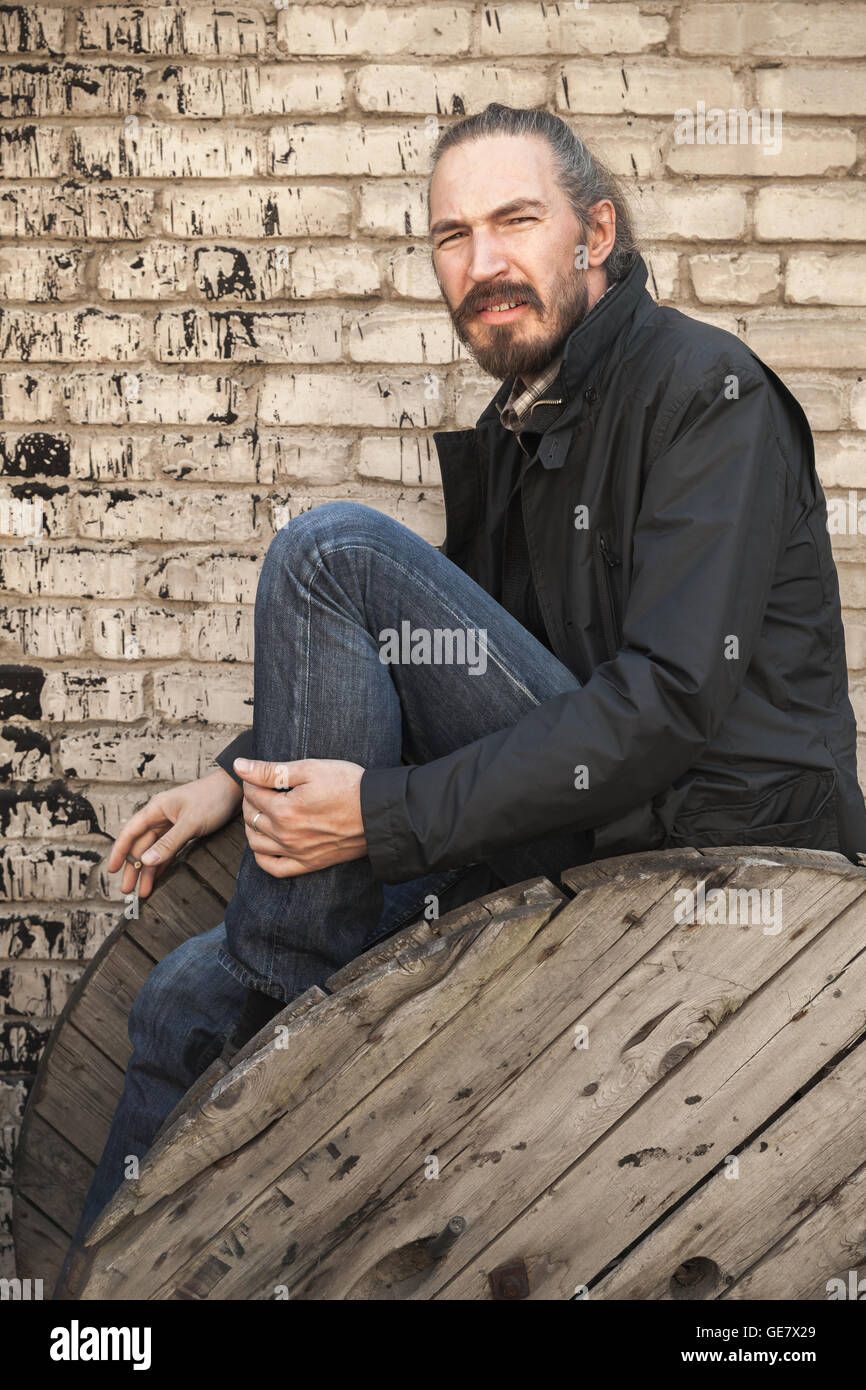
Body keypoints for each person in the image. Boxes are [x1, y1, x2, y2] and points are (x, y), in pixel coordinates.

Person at [64, 103, 866, 1261]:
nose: (481, 263)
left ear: (591, 234)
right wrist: (231, 777)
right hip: (578, 815)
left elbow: (668, 703)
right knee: (185, 995)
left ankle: (289, 974)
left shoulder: (704, 394)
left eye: (513, 222)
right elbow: (426, 642)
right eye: (450, 235)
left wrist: (377, 817)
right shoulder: (528, 416)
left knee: (331, 551)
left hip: (702, 843)